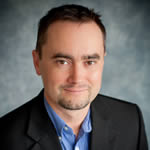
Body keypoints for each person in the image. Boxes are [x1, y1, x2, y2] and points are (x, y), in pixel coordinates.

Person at [1, 4, 148, 150]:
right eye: (63, 62)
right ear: (37, 62)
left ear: (102, 61)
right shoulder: (5, 138)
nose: (77, 78)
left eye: (90, 62)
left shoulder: (131, 121)